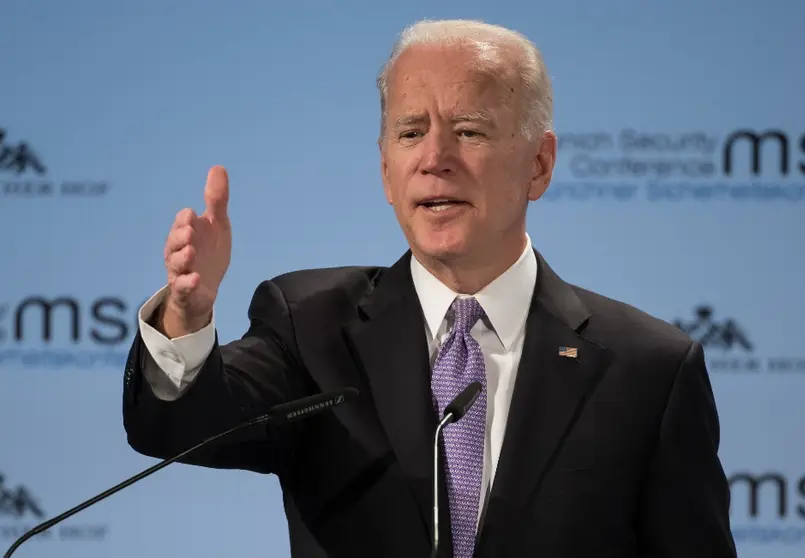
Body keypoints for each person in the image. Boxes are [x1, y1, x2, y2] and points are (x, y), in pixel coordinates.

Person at [122, 19, 737, 558]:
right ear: (386, 169)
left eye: (469, 131)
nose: (435, 157)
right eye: (411, 132)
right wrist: (188, 315)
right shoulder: (309, 326)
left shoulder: (649, 369)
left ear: (540, 164)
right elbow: (179, 429)